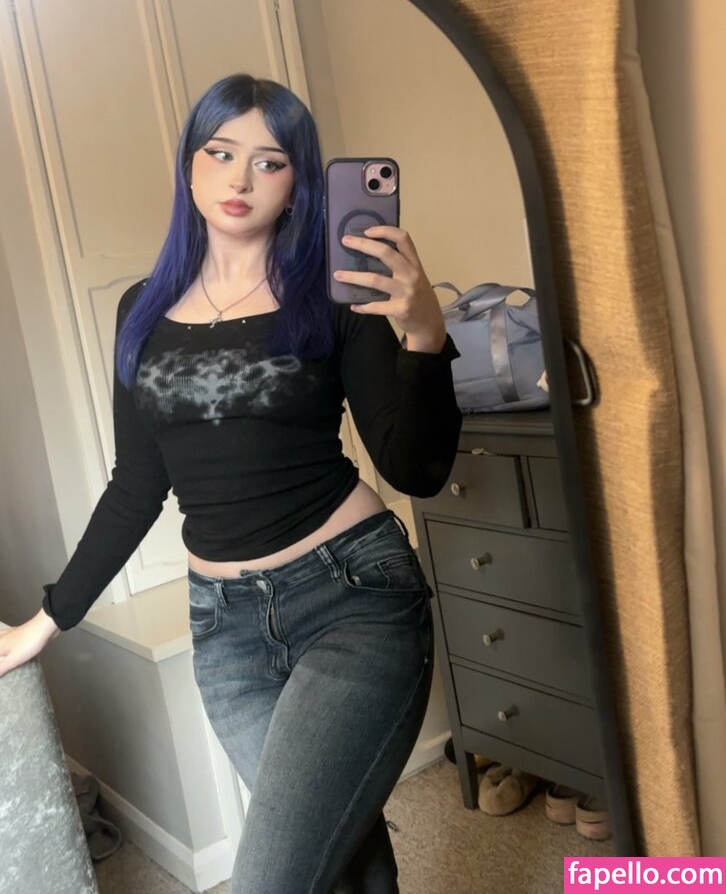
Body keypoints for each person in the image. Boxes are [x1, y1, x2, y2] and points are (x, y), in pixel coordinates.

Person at [0, 73, 462, 893]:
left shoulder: (334, 296)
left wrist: (424, 336)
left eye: (270, 161)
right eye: (220, 153)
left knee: (272, 877)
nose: (240, 178)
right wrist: (49, 619)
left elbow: (414, 469)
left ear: (299, 183)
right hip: (226, 632)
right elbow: (137, 485)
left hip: (351, 601)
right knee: (343, 858)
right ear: (189, 165)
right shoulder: (141, 310)